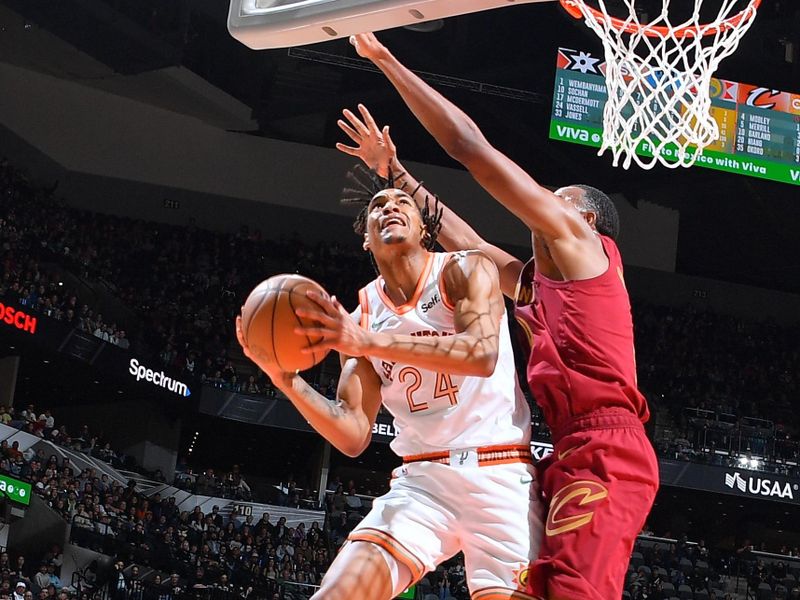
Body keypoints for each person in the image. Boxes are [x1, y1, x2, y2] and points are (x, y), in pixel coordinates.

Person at [342, 33, 660, 600]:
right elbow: (464, 240)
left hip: (608, 446)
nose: (542, 203)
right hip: (566, 447)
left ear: (584, 217)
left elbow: (470, 147)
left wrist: (386, 60)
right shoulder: (542, 284)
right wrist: (394, 173)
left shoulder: (584, 249)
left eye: (555, 196)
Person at [236, 166, 541, 598]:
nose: (391, 207)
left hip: (500, 476)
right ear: (366, 237)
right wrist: (284, 379)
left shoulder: (465, 270)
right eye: (379, 205)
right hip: (423, 483)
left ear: (424, 228)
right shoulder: (361, 314)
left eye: (403, 203)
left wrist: (368, 341)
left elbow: (481, 355)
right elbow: (353, 433)